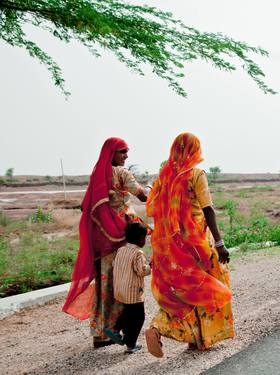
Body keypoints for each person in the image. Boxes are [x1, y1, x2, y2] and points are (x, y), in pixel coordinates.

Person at [144, 132, 234, 358]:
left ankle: (171, 331)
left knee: (184, 291)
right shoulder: (195, 174)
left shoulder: (166, 175)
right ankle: (191, 335)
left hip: (171, 247)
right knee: (211, 286)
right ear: (195, 150)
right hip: (196, 245)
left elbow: (156, 208)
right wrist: (220, 243)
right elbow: (208, 209)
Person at [62, 137, 151, 348]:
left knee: (105, 285)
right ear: (112, 153)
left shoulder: (97, 176)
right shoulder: (122, 174)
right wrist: (150, 185)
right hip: (120, 236)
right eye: (122, 152)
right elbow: (143, 197)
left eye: (126, 151)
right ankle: (125, 334)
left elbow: (87, 207)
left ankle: (101, 335)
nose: (126, 156)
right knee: (124, 284)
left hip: (101, 239)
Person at [104, 222, 151, 353]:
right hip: (133, 291)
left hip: (120, 289)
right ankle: (131, 344)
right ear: (141, 239)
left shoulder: (121, 250)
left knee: (128, 312)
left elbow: (115, 264)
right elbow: (142, 271)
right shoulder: (138, 253)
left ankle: (114, 329)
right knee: (139, 317)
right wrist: (150, 267)